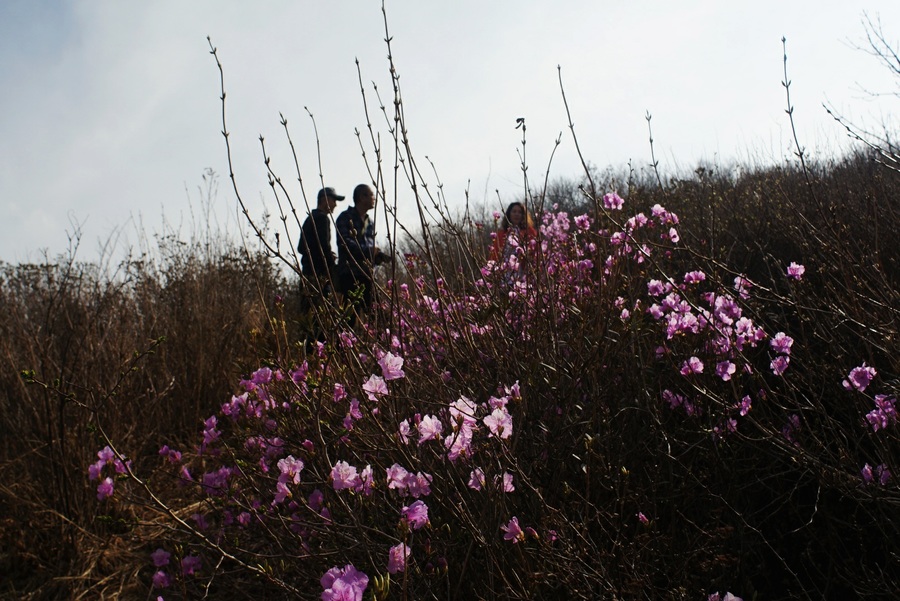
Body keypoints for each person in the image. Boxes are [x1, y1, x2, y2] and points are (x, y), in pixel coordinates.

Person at [336, 184, 390, 312]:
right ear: (361, 197)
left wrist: (378, 256)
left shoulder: (370, 222)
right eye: (371, 195)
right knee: (350, 317)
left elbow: (369, 245)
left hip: (369, 275)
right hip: (351, 275)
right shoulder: (345, 217)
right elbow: (345, 244)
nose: (374, 198)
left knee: (378, 315)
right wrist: (368, 251)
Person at [298, 186, 345, 296]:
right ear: (325, 199)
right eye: (334, 200)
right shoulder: (323, 219)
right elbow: (324, 246)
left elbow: (301, 248)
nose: (335, 204)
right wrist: (330, 264)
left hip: (307, 273)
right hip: (319, 276)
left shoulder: (310, 218)